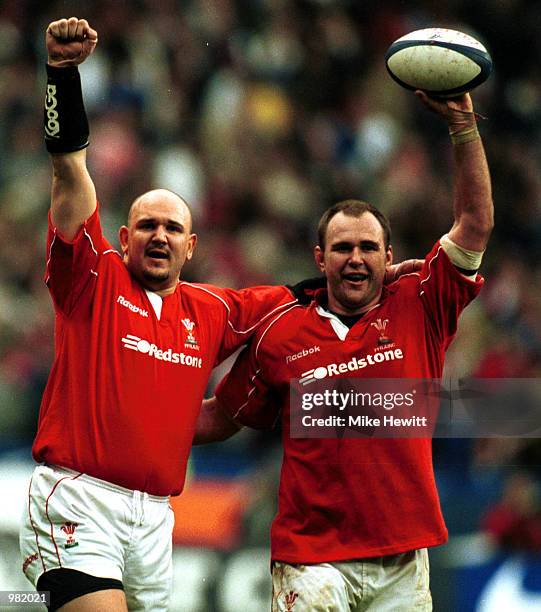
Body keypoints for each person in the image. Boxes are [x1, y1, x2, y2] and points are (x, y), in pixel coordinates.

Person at [19, 17, 303, 612]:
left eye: (173, 228)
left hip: (155, 520)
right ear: (123, 238)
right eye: (146, 225)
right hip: (78, 501)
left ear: (191, 246)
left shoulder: (212, 310)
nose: (159, 235)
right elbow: (69, 170)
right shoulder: (90, 278)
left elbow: (300, 299)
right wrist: (62, 77)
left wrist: (381, 276)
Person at [195, 90, 493, 610]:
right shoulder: (280, 334)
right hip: (310, 560)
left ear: (388, 256)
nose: (355, 259)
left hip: (402, 558)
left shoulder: (421, 302)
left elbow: (475, 224)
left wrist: (463, 128)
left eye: (368, 248)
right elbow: (223, 415)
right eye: (342, 248)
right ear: (320, 256)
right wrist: (133, 427)